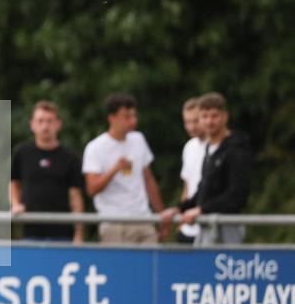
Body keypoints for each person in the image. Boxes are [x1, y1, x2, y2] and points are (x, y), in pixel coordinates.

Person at [162, 92, 251, 245]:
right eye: (205, 116)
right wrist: (180, 208)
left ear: (224, 116)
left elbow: (237, 194)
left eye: (214, 116)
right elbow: (204, 189)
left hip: (226, 227)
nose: (209, 121)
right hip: (206, 227)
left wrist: (202, 210)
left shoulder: (236, 149)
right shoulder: (209, 149)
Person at [82, 93, 166, 243]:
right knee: (120, 267)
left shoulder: (138, 139)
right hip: (115, 222)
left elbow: (149, 180)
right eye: (126, 116)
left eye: (134, 115)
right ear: (112, 118)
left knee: (149, 266)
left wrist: (161, 216)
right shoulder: (95, 147)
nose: (133, 121)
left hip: (143, 218)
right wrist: (115, 169)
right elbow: (92, 188)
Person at [10, 101, 85, 243]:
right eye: (40, 121)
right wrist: (15, 203)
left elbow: (75, 196)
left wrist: (79, 233)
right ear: (32, 124)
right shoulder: (22, 153)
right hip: (30, 232)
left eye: (50, 121)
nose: (45, 126)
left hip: (63, 233)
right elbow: (14, 183)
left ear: (58, 124)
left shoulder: (70, 157)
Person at [176, 97, 206, 244]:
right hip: (188, 226)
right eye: (187, 122)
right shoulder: (189, 147)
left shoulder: (214, 146)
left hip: (206, 223)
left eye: (195, 121)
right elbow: (187, 186)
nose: (191, 127)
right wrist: (181, 219)